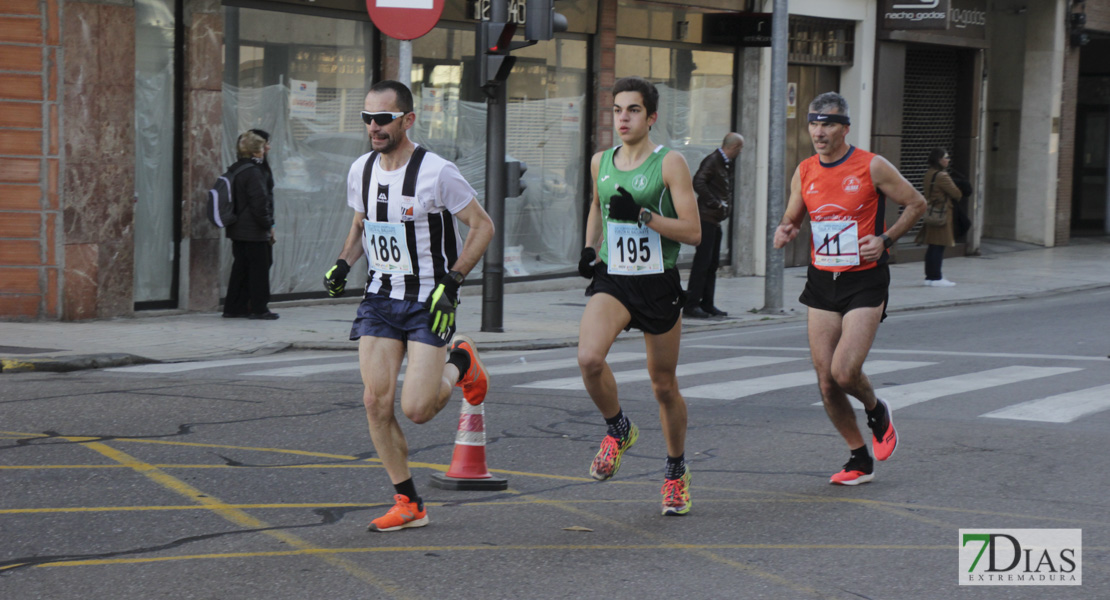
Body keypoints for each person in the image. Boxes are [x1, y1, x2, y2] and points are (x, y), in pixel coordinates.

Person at [321, 80, 495, 532]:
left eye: (383, 119)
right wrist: (343, 263)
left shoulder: (437, 172)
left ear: (408, 119)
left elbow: (482, 226)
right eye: (367, 119)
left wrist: (453, 282)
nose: (374, 127)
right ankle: (409, 502)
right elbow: (362, 224)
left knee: (417, 409)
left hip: (428, 301)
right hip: (380, 297)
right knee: (375, 403)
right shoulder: (361, 170)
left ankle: (461, 360)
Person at [772, 92, 926, 486]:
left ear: (845, 128)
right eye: (814, 123)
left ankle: (876, 410)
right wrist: (787, 228)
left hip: (864, 278)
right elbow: (794, 214)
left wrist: (886, 240)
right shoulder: (805, 170)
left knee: (844, 372)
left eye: (828, 124)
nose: (819, 132)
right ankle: (859, 458)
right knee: (826, 382)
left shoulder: (872, 166)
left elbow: (916, 203)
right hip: (822, 280)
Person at [577, 76, 702, 515]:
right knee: (589, 358)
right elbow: (597, 204)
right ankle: (618, 429)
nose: (623, 118)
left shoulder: (670, 163)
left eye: (632, 110)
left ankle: (675, 472)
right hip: (615, 277)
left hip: (657, 281)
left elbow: (693, 232)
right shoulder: (600, 161)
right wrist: (590, 248)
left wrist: (646, 215)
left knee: (663, 386)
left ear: (650, 117)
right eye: (617, 110)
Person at [685, 132, 743, 319]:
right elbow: (698, 182)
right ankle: (691, 305)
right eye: (740, 148)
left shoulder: (725, 162)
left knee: (712, 264)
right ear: (734, 147)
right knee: (702, 263)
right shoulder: (713, 160)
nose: (741, 151)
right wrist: (715, 203)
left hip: (715, 220)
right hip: (706, 219)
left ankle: (707, 304)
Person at [223, 129, 278, 320]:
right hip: (254, 230)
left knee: (241, 267)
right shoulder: (254, 172)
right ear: (257, 151)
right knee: (259, 268)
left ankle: (233, 306)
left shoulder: (237, 168)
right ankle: (259, 308)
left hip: (237, 228)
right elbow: (260, 202)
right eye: (264, 146)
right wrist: (268, 225)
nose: (266, 149)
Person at [915, 147, 961, 287]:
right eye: (945, 157)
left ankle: (931, 276)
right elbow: (957, 194)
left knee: (933, 246)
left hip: (931, 212)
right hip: (941, 214)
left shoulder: (929, 173)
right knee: (938, 246)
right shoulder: (942, 176)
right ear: (939, 159)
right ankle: (935, 277)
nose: (948, 160)